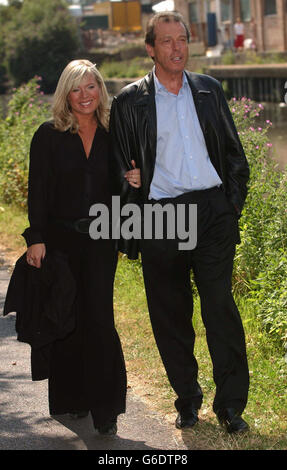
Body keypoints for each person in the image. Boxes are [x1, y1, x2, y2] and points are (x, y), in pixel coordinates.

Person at [109, 12, 250, 434]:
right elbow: (115, 169)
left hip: (211, 213)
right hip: (161, 216)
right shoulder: (128, 101)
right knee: (170, 314)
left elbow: (234, 158)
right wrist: (126, 179)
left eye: (182, 39)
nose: (176, 48)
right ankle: (187, 400)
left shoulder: (209, 90)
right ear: (150, 49)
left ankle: (231, 407)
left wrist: (229, 209)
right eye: (167, 41)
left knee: (219, 308)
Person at [22, 59, 136, 435]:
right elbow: (38, 190)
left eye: (91, 87)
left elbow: (123, 187)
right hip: (60, 241)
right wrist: (35, 237)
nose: (85, 95)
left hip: (102, 239)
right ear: (65, 94)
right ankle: (71, 398)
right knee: (66, 318)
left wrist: (134, 178)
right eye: (77, 88)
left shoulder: (113, 132)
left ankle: (106, 407)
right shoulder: (48, 134)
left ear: (101, 91)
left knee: (99, 318)